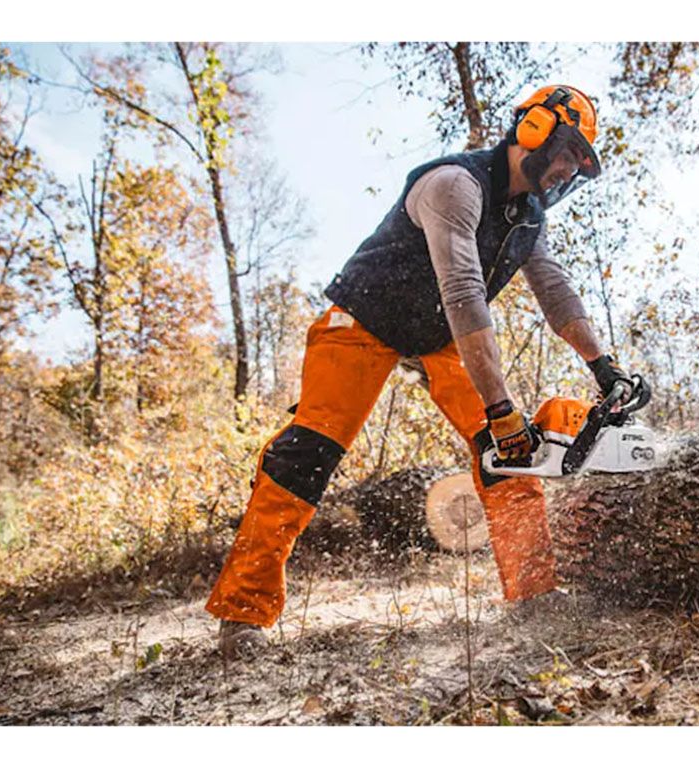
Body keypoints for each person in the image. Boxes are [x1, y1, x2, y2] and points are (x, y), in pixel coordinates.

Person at [206, 84, 649, 659]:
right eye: (566, 151)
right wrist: (499, 405)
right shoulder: (454, 185)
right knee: (309, 450)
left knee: (508, 451)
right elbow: (464, 291)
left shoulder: (527, 219)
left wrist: (603, 366)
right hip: (364, 318)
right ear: (533, 131)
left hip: (439, 335)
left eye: (578, 164)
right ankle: (242, 615)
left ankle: (535, 592)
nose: (567, 169)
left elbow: (556, 293)